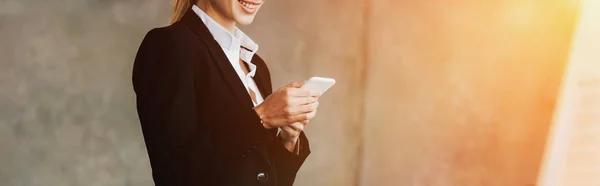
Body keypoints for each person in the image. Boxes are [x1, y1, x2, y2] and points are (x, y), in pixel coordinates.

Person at [132, 0, 322, 185]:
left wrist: (288, 139)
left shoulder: (256, 66)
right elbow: (174, 175)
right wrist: (262, 117)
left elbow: (265, 177)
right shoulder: (169, 45)